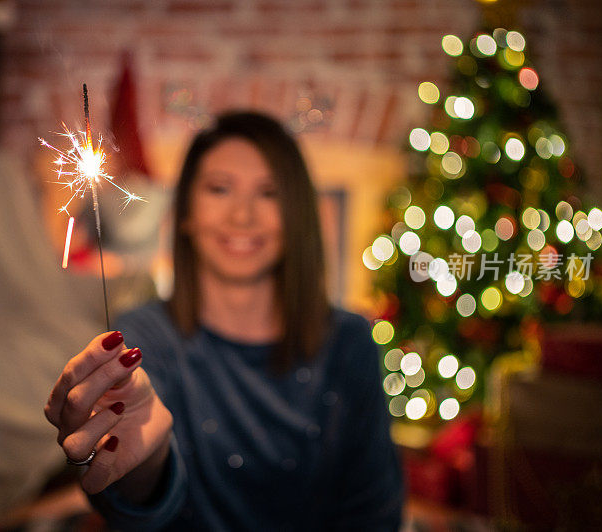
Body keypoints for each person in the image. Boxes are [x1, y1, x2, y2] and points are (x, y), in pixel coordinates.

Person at [44, 111, 404, 530]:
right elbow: (142, 504)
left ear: (298, 213)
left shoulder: (349, 340)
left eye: (269, 193)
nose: (242, 216)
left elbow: (375, 512)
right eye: (219, 189)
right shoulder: (142, 340)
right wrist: (145, 463)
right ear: (186, 213)